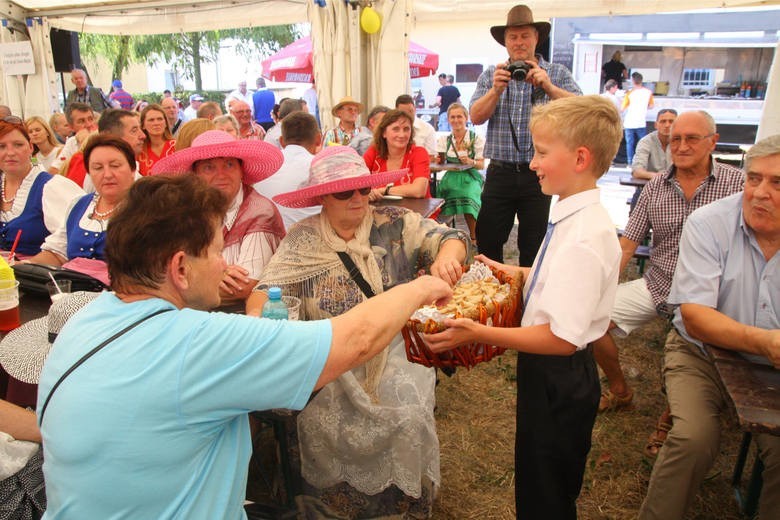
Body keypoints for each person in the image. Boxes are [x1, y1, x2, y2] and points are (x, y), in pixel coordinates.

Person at [36, 173, 453, 519]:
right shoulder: (199, 342)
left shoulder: (80, 321)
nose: (225, 265)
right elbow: (355, 340)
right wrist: (420, 287)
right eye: (217, 251)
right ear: (180, 267)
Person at [426, 95, 622, 520]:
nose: (532, 163)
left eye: (542, 152)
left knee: (546, 494)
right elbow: (556, 276)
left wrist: (478, 332)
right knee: (536, 478)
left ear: (580, 157)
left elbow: (562, 338)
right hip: (547, 373)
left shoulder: (586, 237)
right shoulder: (570, 213)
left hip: (560, 375)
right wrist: (514, 272)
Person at [247, 145, 467, 518]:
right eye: (343, 192)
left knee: (408, 414)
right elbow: (263, 292)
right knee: (321, 418)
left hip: (393, 348)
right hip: (331, 353)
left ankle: (401, 507)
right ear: (321, 198)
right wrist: (262, 322)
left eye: (362, 190)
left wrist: (448, 255)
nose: (357, 199)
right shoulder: (303, 238)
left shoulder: (394, 222)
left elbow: (450, 236)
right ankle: (330, 506)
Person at [638, 134, 780, 519]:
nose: (760, 193)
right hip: (702, 353)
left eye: (777, 182)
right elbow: (697, 318)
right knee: (692, 438)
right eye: (754, 179)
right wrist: (766, 342)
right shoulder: (709, 222)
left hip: (774, 367)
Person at [591, 111, 744, 454]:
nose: (682, 145)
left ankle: (672, 416)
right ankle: (620, 391)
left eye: (692, 138)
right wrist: (599, 288)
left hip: (713, 296)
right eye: (675, 138)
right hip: (659, 283)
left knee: (698, 345)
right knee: (591, 320)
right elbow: (627, 244)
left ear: (713, 142)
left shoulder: (738, 184)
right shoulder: (655, 187)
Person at [470, 4, 581, 265]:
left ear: (536, 38)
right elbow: (475, 116)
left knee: (534, 245)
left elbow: (581, 110)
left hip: (540, 174)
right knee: (488, 242)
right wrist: (495, 91)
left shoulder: (556, 73)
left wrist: (549, 87)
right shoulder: (492, 75)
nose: (519, 42)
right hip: (499, 173)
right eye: (513, 37)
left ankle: (529, 302)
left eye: (525, 36)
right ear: (505, 42)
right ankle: (493, 299)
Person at [151, 130, 285, 303]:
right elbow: (157, 269)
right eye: (209, 167)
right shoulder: (185, 209)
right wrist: (217, 275)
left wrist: (186, 280)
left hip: (238, 316)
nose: (221, 175)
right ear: (195, 175)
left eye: (229, 165)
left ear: (241, 171)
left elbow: (243, 286)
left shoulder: (260, 212)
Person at [25, 136, 137, 282]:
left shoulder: (146, 207)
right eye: (97, 168)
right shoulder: (79, 204)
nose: (107, 174)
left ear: (133, 169)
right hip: (72, 290)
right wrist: (25, 267)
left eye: (115, 165)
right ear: (89, 173)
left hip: (123, 294)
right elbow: (57, 253)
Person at [0, 118, 84, 256]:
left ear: (31, 148)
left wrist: (29, 264)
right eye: (1, 146)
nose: (10, 153)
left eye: (18, 145)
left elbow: (70, 242)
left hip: (37, 275)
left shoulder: (51, 187)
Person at [255, 111, 321, 228]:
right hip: (310, 239)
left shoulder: (264, 167)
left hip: (266, 239)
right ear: (318, 139)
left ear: (281, 141)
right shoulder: (321, 166)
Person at [435, 103, 485, 244]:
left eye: (459, 117)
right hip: (451, 176)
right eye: (452, 117)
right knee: (442, 192)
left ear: (466, 118)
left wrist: (470, 161)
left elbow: (481, 165)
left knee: (467, 194)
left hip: (470, 176)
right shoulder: (444, 140)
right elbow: (440, 165)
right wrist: (439, 161)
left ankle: (474, 237)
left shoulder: (475, 138)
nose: (456, 120)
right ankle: (445, 234)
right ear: (448, 119)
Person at [364, 109, 431, 199]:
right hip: (380, 210)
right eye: (396, 129)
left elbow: (419, 191)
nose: (402, 135)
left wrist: (384, 190)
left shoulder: (419, 153)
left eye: (406, 129)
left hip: (417, 212)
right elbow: (357, 182)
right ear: (384, 133)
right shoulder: (373, 152)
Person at [49, 102, 98, 175]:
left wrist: (87, 142)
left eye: (90, 119)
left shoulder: (104, 138)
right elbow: (53, 171)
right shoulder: (72, 142)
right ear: (71, 127)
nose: (88, 125)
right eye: (81, 121)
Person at [631, 109, 677, 180]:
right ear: (656, 125)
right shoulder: (646, 142)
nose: (667, 125)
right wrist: (661, 177)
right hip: (649, 187)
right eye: (663, 121)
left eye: (671, 122)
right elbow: (637, 172)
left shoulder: (682, 143)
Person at [622, 72, 654, 165]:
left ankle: (629, 162)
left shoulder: (629, 93)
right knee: (642, 143)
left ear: (632, 81)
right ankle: (642, 162)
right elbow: (651, 106)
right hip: (641, 122)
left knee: (629, 143)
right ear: (641, 81)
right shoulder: (648, 92)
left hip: (629, 121)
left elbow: (622, 108)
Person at [137, 103, 176, 176]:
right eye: (151, 120)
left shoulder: (177, 146)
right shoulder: (138, 152)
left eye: (160, 119)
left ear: (165, 123)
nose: (156, 123)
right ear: (143, 125)